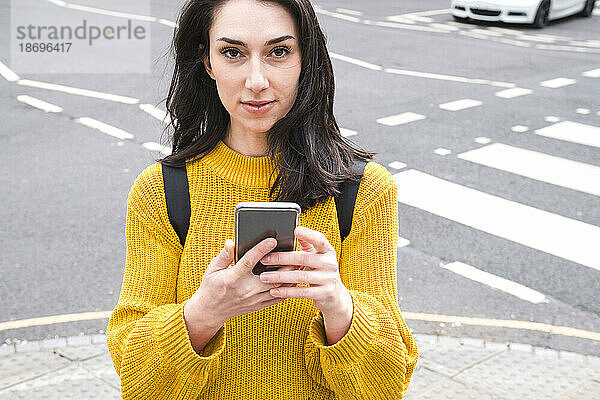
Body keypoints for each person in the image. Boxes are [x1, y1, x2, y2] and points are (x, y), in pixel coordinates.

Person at [106, 0, 419, 398]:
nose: (256, 80)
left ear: (306, 60)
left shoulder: (363, 191)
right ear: (207, 62)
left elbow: (386, 387)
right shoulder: (161, 192)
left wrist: (340, 308)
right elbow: (137, 383)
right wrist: (206, 311)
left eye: (279, 52)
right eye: (232, 52)